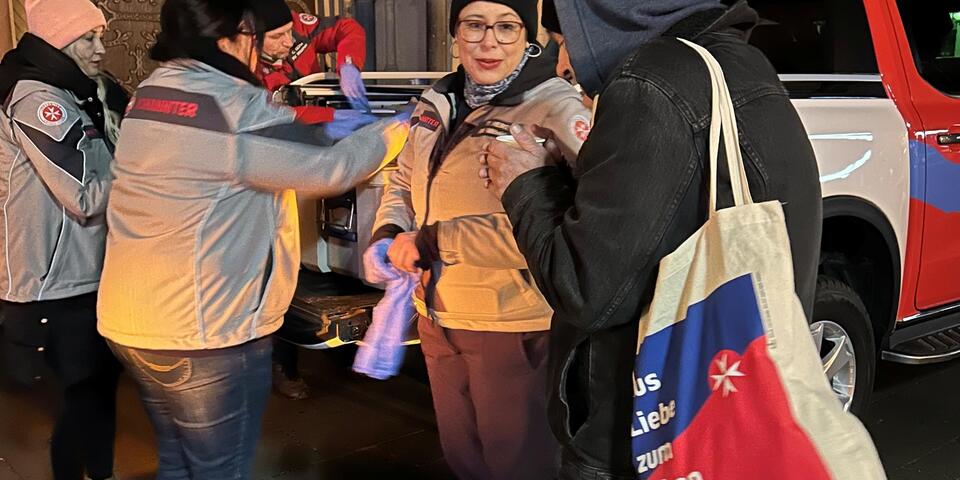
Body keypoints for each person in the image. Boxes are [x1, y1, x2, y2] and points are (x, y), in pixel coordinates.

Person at [482, 0, 822, 478]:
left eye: (566, 40)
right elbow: (673, 213)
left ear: (604, 14)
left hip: (641, 437)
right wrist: (578, 178)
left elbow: (587, 290)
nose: (563, 65)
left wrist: (525, 186)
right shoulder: (737, 61)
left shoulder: (649, 84)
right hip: (734, 405)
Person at [95, 0, 408, 477]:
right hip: (206, 335)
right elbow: (331, 169)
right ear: (234, 35)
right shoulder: (233, 104)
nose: (263, 48)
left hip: (132, 321)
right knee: (220, 470)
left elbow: (249, 147)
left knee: (179, 463)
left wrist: (327, 126)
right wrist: (401, 126)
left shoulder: (152, 92)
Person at [368, 0, 589, 478]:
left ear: (529, 38)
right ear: (455, 35)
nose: (489, 41)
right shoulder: (437, 101)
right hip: (437, 311)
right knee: (463, 458)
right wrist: (389, 231)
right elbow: (403, 179)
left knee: (518, 465)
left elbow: (573, 223)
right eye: (474, 25)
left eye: (506, 27)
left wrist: (434, 242)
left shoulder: (555, 109)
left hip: (511, 323)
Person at [0, 0, 127, 478]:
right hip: (50, 282)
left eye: (101, 35)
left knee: (99, 390)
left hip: (89, 271)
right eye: (89, 38)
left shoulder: (86, 91)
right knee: (76, 401)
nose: (101, 48)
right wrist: (148, 173)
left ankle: (104, 474)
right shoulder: (38, 99)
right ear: (58, 40)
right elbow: (83, 196)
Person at [251, 0, 371, 400]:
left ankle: (347, 355)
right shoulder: (238, 71)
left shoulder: (297, 30)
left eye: (289, 33)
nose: (289, 42)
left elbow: (346, 30)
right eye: (277, 37)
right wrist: (328, 119)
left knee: (329, 253)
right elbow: (273, 120)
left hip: (319, 157)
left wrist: (348, 66)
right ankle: (281, 364)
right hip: (273, 168)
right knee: (277, 265)